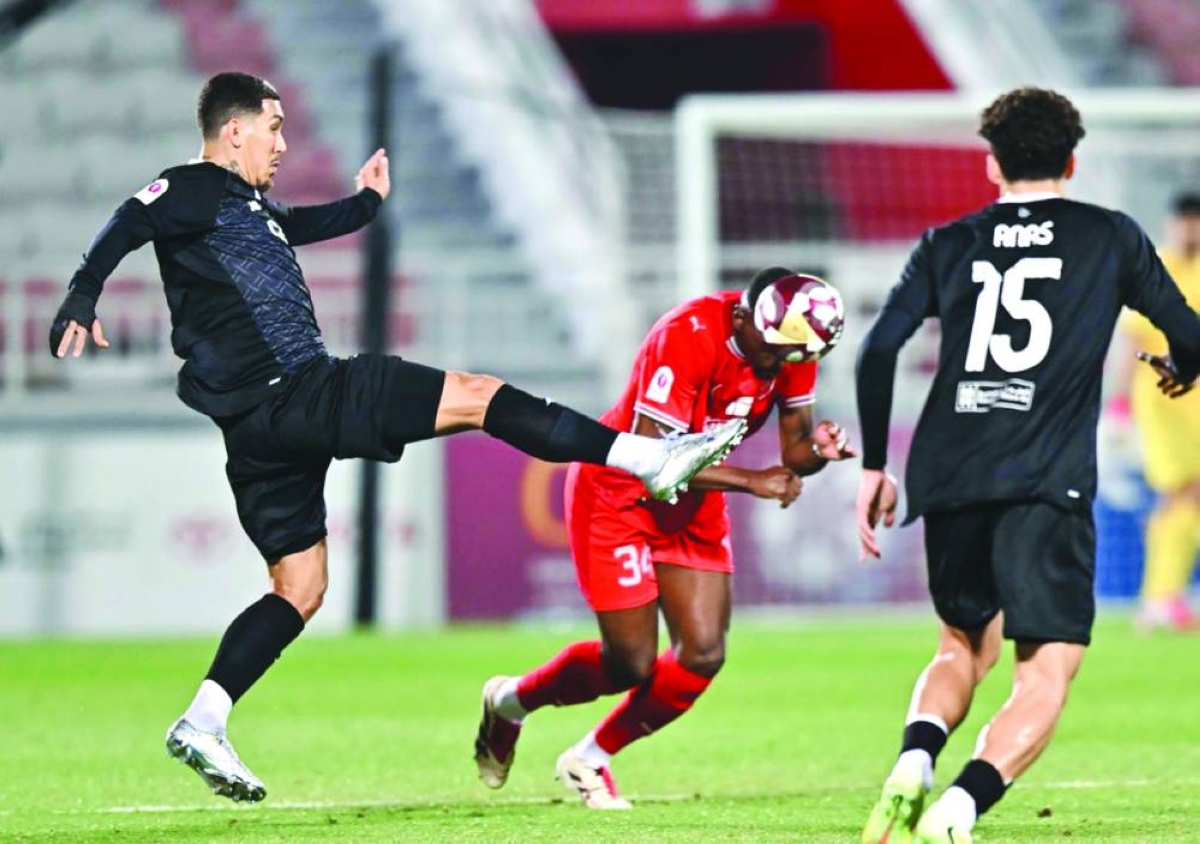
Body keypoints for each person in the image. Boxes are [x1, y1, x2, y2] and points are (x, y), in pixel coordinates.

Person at [47, 71, 745, 803]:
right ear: (234, 130)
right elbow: (131, 217)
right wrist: (83, 292)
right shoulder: (191, 188)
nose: (282, 144)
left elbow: (299, 225)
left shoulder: (246, 207)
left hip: (255, 427)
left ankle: (204, 718)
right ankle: (647, 456)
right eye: (274, 128)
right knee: (477, 396)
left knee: (300, 586)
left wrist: (366, 204)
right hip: (303, 391)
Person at [855, 87, 1200, 844]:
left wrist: (874, 465)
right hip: (1045, 477)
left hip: (950, 471)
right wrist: (1183, 368)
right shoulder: (1110, 236)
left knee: (959, 645)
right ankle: (958, 809)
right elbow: (1191, 334)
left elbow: (877, 348)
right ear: (1072, 161)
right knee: (1046, 670)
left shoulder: (948, 241)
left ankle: (915, 759)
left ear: (992, 164)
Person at [472, 268, 856, 808]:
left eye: (793, 356)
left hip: (694, 502)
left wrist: (817, 449)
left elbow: (795, 450)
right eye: (773, 351)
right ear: (742, 318)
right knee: (630, 663)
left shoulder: (791, 342)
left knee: (703, 653)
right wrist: (751, 480)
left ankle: (590, 758)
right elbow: (652, 462)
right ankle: (510, 701)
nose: (779, 364)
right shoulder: (687, 337)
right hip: (620, 496)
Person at [1111, 193, 1200, 632]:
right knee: (1183, 492)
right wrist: (1120, 404)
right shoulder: (1154, 269)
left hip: (1197, 402)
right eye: (1184, 221)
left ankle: (1164, 597)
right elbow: (1132, 342)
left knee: (1187, 500)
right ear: (1171, 224)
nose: (1190, 230)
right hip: (1162, 402)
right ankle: (1161, 598)